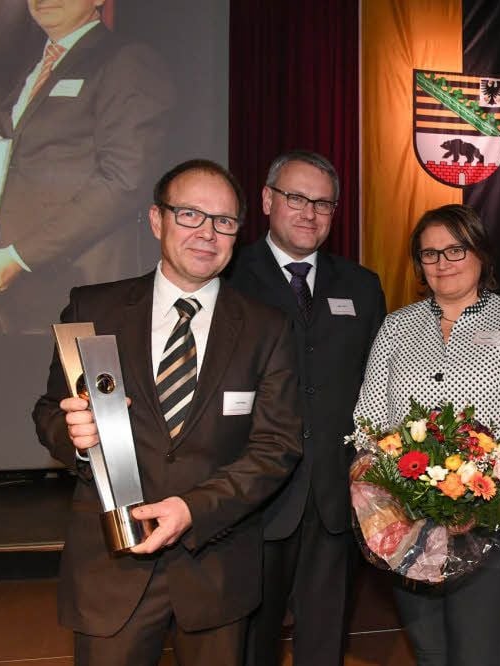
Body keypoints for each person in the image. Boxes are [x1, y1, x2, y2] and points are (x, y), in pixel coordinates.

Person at [31, 159, 303, 665]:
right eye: (190, 215)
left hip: (217, 565)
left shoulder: (267, 328)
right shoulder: (93, 309)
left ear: (238, 233)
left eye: (223, 221)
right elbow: (50, 409)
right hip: (112, 565)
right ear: (157, 220)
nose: (207, 233)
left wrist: (193, 509)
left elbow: (277, 447)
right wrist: (72, 435)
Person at [352, 203, 500, 665]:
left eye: (455, 249)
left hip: (494, 522)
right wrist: (395, 490)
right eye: (429, 254)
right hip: (408, 524)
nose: (442, 262)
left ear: (480, 253)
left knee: (480, 657)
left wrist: (473, 493)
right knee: (430, 654)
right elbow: (368, 417)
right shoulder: (396, 326)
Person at [227, 150, 386, 666]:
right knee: (253, 642)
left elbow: (374, 384)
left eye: (323, 203)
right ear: (269, 200)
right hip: (255, 495)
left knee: (325, 641)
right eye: (296, 198)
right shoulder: (228, 278)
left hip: (333, 496)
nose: (309, 213)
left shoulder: (361, 286)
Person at [0, 0, 174, 333]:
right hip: (16, 297)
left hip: (81, 290)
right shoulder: (32, 67)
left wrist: (20, 256)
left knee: (72, 386)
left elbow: (124, 180)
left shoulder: (127, 60)